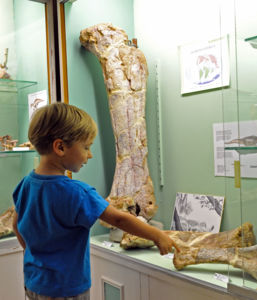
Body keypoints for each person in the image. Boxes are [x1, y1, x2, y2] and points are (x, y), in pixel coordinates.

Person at [12, 102, 179, 300]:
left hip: (34, 283)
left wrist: (36, 257)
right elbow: (119, 220)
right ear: (60, 147)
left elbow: (16, 226)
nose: (89, 155)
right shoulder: (77, 192)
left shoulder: (26, 184)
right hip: (67, 289)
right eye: (86, 147)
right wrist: (157, 236)